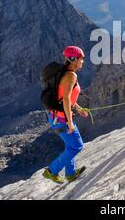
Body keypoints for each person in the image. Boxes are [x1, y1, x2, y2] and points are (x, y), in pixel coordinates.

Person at [42, 46, 90, 184]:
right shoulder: (71, 75)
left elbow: (65, 98)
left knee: (70, 146)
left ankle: (70, 173)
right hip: (62, 119)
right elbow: (67, 99)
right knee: (77, 146)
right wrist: (69, 121)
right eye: (81, 59)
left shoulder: (66, 73)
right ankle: (51, 171)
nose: (82, 62)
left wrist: (79, 109)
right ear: (74, 59)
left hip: (58, 117)